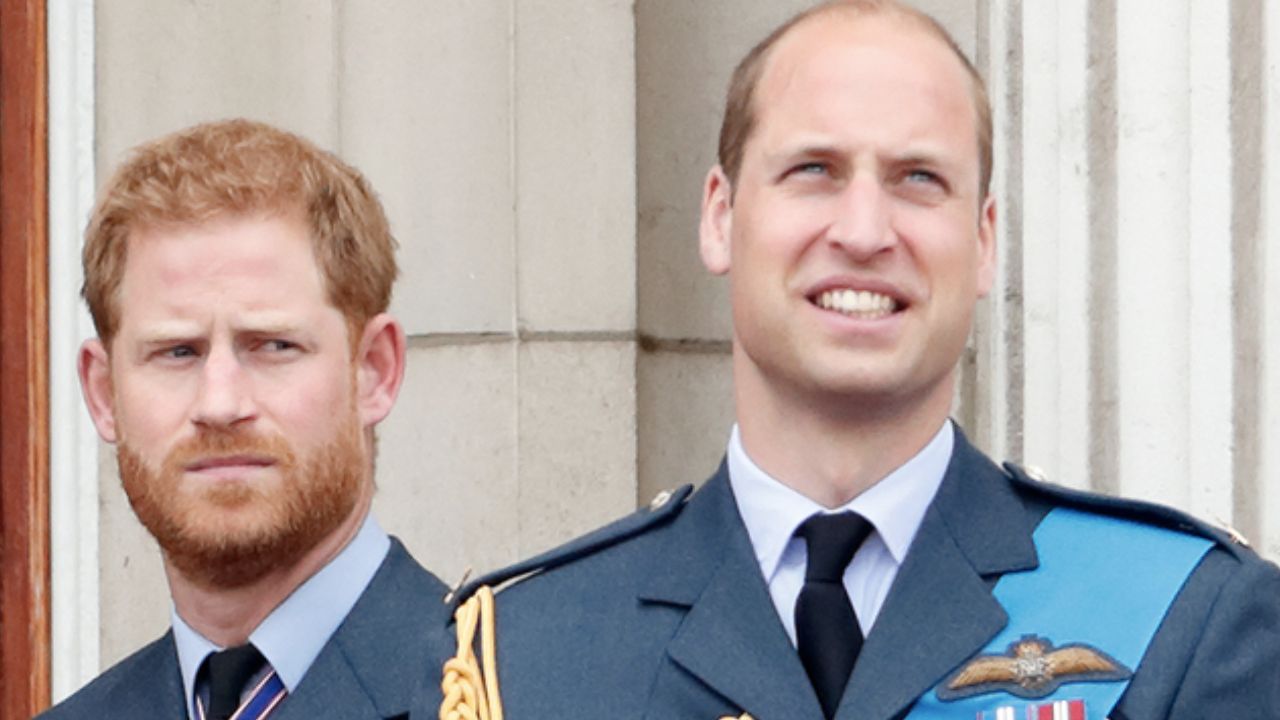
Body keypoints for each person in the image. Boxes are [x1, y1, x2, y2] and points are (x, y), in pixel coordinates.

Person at [430, 2, 1280, 719]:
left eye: (917, 178)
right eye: (814, 170)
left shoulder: (1182, 617)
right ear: (720, 217)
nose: (866, 231)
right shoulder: (531, 653)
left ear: (983, 242)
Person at [40, 119, 451, 720]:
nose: (221, 405)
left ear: (375, 371)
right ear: (103, 394)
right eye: (177, 352)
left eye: (272, 346)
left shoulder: (527, 697)